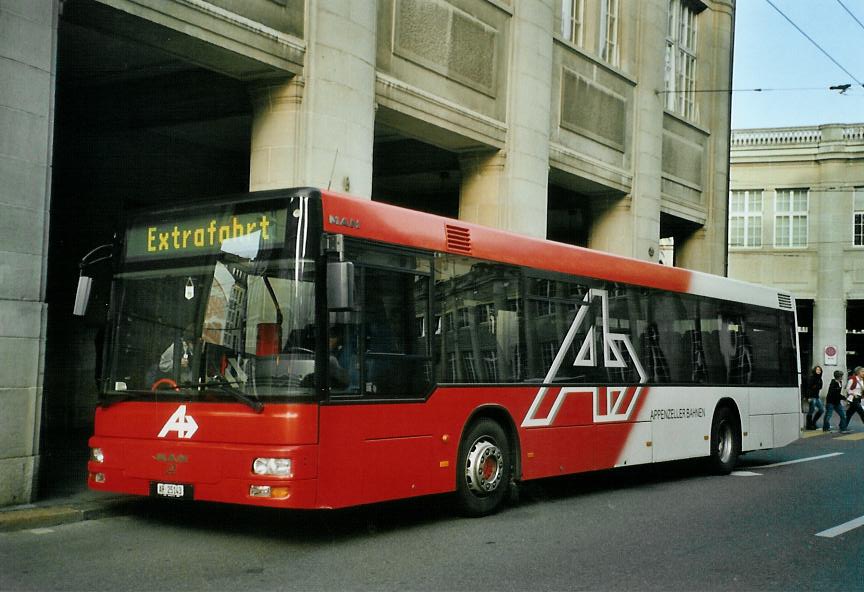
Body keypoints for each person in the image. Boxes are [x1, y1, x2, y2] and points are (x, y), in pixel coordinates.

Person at [804, 365, 824, 430]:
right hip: (811, 397)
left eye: (819, 370)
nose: (818, 371)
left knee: (821, 410)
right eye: (817, 370)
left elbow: (820, 387)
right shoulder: (812, 378)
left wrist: (816, 386)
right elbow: (808, 388)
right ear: (814, 370)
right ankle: (809, 425)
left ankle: (813, 423)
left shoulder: (819, 378)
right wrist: (808, 397)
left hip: (816, 396)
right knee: (811, 411)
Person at [844, 366, 864, 431]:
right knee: (862, 412)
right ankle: (843, 426)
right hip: (853, 399)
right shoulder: (852, 379)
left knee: (849, 413)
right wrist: (853, 393)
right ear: (858, 372)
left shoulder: (862, 380)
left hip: (859, 399)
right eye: (862, 371)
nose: (863, 373)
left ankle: (843, 426)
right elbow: (847, 389)